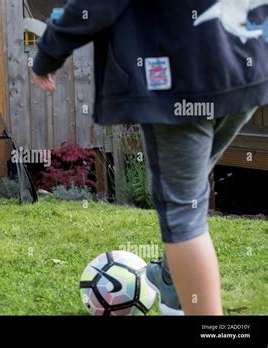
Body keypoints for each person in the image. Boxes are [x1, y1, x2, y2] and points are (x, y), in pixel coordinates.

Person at [32, 0, 268, 315]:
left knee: (182, 212)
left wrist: (49, 51)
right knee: (189, 195)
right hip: (247, 68)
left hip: (180, 80)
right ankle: (172, 288)